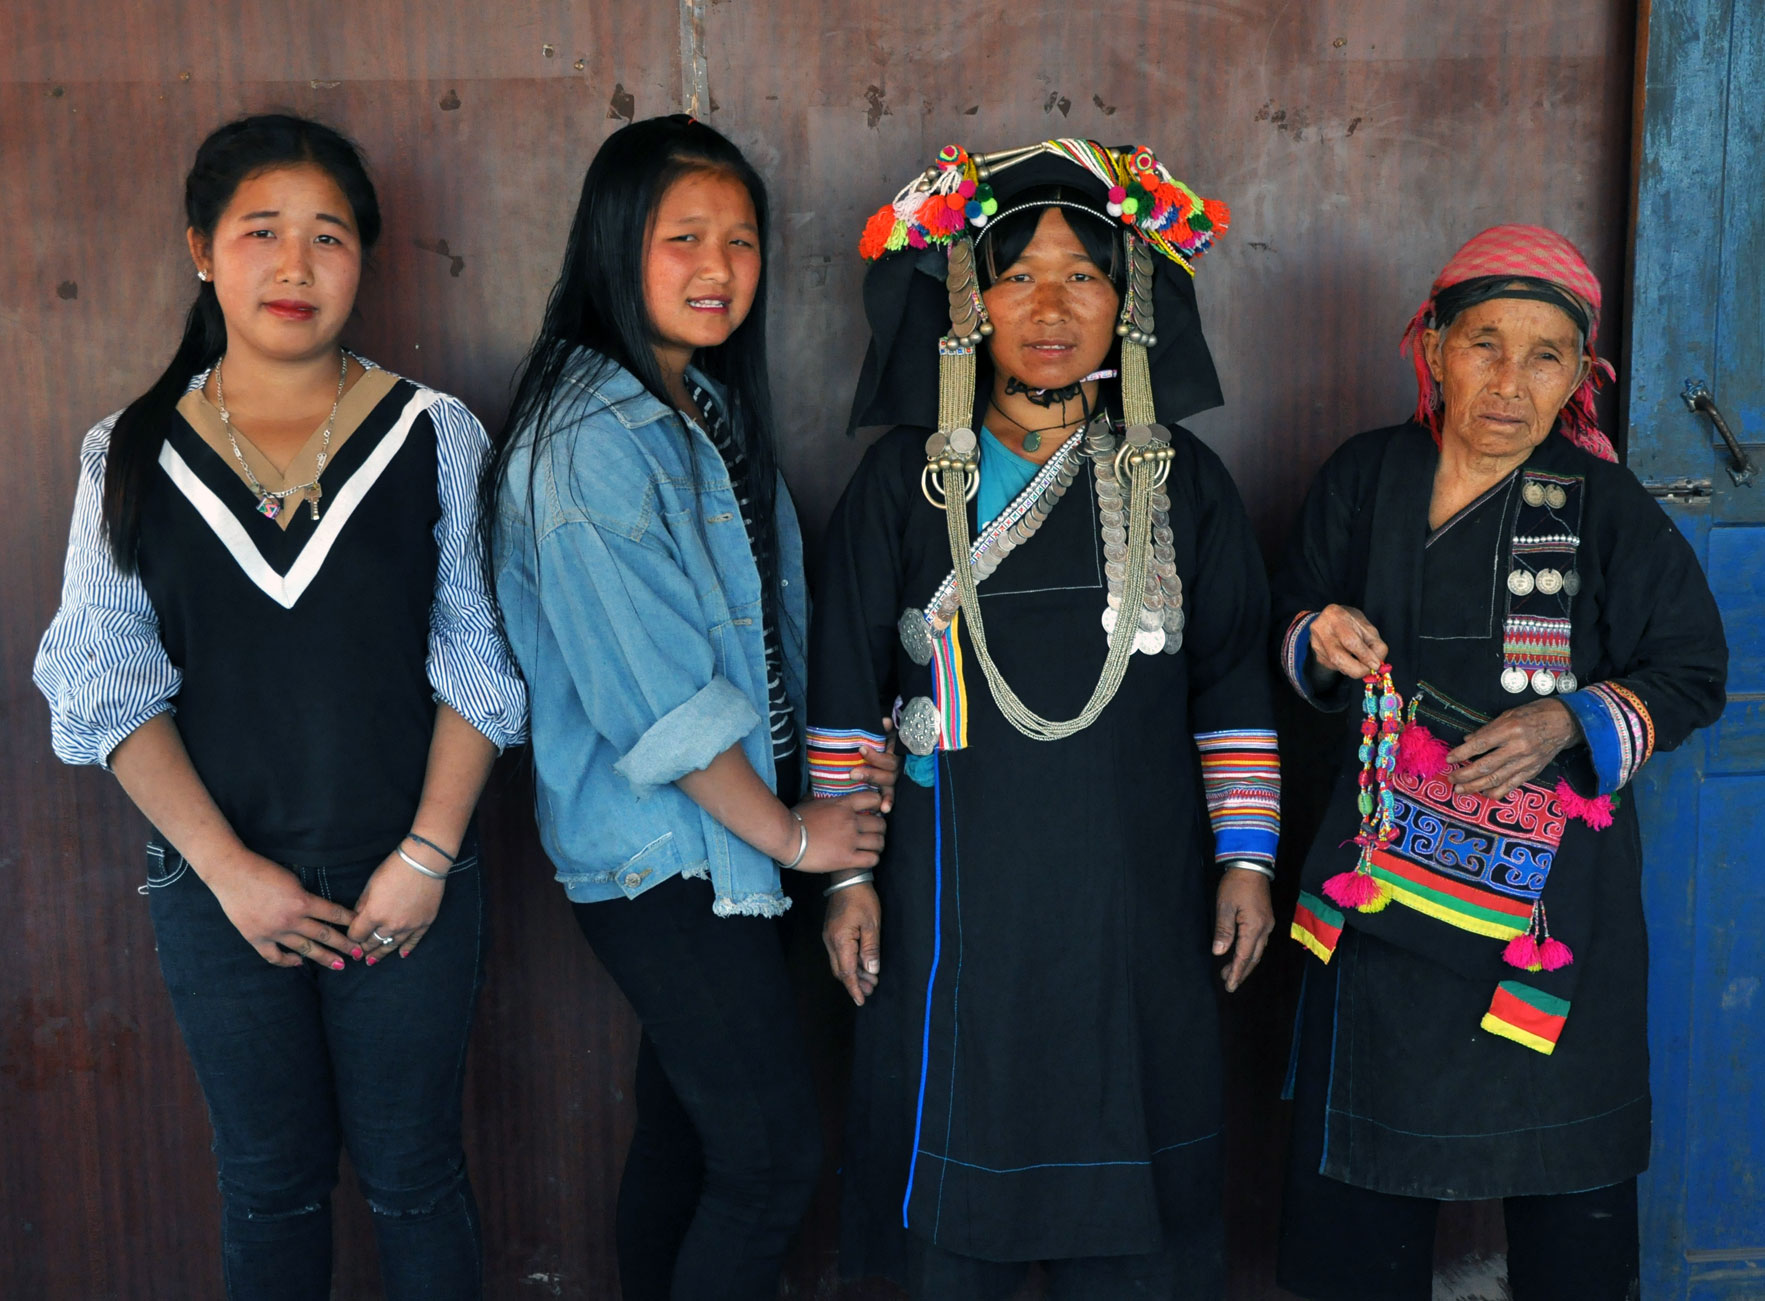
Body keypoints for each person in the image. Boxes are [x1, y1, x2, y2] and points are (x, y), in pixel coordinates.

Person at [32, 113, 527, 1299]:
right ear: (201, 248)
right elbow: (101, 676)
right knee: (268, 1184)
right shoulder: (129, 449)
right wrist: (228, 870)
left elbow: (479, 653)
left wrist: (427, 853)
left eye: (329, 236)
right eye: (261, 231)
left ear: (364, 257)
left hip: (408, 879)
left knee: (415, 1175)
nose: (295, 264)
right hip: (219, 890)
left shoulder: (433, 431)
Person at [809, 139, 1279, 1299]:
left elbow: (1230, 682)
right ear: (966, 304)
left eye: (1083, 275)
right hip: (949, 896)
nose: (1051, 308)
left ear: (1130, 302)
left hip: (1136, 894)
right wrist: (846, 878)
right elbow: (843, 685)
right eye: (1016, 276)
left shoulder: (1182, 481)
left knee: (1136, 1167)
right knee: (952, 1174)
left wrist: (1247, 858)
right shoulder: (904, 483)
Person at [1271, 224, 1728, 1301]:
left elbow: (1691, 670)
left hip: (1551, 916)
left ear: (1579, 376)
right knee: (1362, 1203)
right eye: (1483, 344)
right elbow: (1284, 621)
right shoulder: (1365, 477)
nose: (1510, 382)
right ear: (1431, 346)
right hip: (1381, 904)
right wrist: (1317, 636)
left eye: (1544, 355)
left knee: (1569, 1195)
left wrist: (1565, 721)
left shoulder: (1605, 507)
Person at [483, 114, 898, 1301]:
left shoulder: (690, 404)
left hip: (721, 840)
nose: (718, 267)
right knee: (770, 1160)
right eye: (683, 238)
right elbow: (655, 700)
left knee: (688, 1136)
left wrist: (817, 781)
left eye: (741, 240)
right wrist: (796, 833)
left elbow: (761, 637)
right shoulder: (589, 437)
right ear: (615, 243)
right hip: (668, 855)